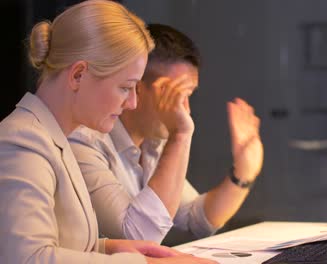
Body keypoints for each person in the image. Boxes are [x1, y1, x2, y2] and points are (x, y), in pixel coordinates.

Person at [0, 1, 215, 264]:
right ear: (78, 75)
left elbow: (62, 242)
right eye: (126, 87)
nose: (132, 103)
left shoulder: (53, 137)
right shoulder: (23, 140)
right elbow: (26, 258)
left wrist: (109, 248)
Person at [69, 24, 264, 243]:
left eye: (189, 95)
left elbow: (194, 220)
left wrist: (243, 173)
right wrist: (180, 135)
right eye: (174, 95)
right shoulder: (85, 141)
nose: (186, 110)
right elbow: (136, 236)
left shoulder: (155, 144)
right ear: (135, 87)